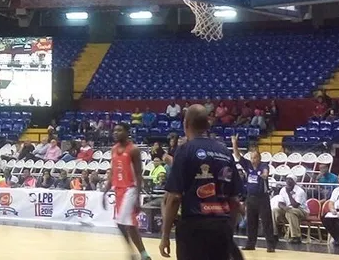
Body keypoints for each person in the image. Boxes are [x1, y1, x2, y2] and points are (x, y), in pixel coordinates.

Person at [160, 104, 242, 260]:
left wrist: (164, 235)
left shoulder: (184, 150)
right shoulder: (225, 151)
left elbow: (174, 198)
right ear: (207, 124)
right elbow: (235, 201)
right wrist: (228, 232)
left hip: (194, 227)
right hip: (221, 226)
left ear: (186, 124)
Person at [102, 122, 151, 260]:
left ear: (127, 132)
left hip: (130, 189)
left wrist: (138, 197)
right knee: (127, 224)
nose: (116, 133)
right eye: (114, 130)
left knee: (124, 223)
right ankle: (141, 254)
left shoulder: (133, 150)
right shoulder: (113, 149)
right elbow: (112, 171)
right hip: (118, 190)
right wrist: (105, 191)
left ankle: (136, 253)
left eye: (119, 130)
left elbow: (139, 175)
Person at [232, 134, 275, 252]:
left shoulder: (263, 165)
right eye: (251, 157)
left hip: (262, 198)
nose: (253, 160)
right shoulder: (248, 166)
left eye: (255, 157)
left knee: (266, 221)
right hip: (250, 198)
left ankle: (270, 245)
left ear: (259, 158)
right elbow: (237, 156)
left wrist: (264, 175)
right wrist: (234, 143)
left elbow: (266, 172)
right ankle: (250, 243)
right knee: (251, 221)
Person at [272, 176, 308, 244]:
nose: (288, 181)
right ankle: (274, 234)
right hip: (288, 208)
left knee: (290, 212)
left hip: (302, 211)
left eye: (290, 180)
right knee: (275, 210)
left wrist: (288, 193)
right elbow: (280, 203)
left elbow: (295, 205)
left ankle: (296, 237)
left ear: (294, 182)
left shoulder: (300, 191)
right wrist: (284, 208)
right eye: (287, 179)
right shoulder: (283, 189)